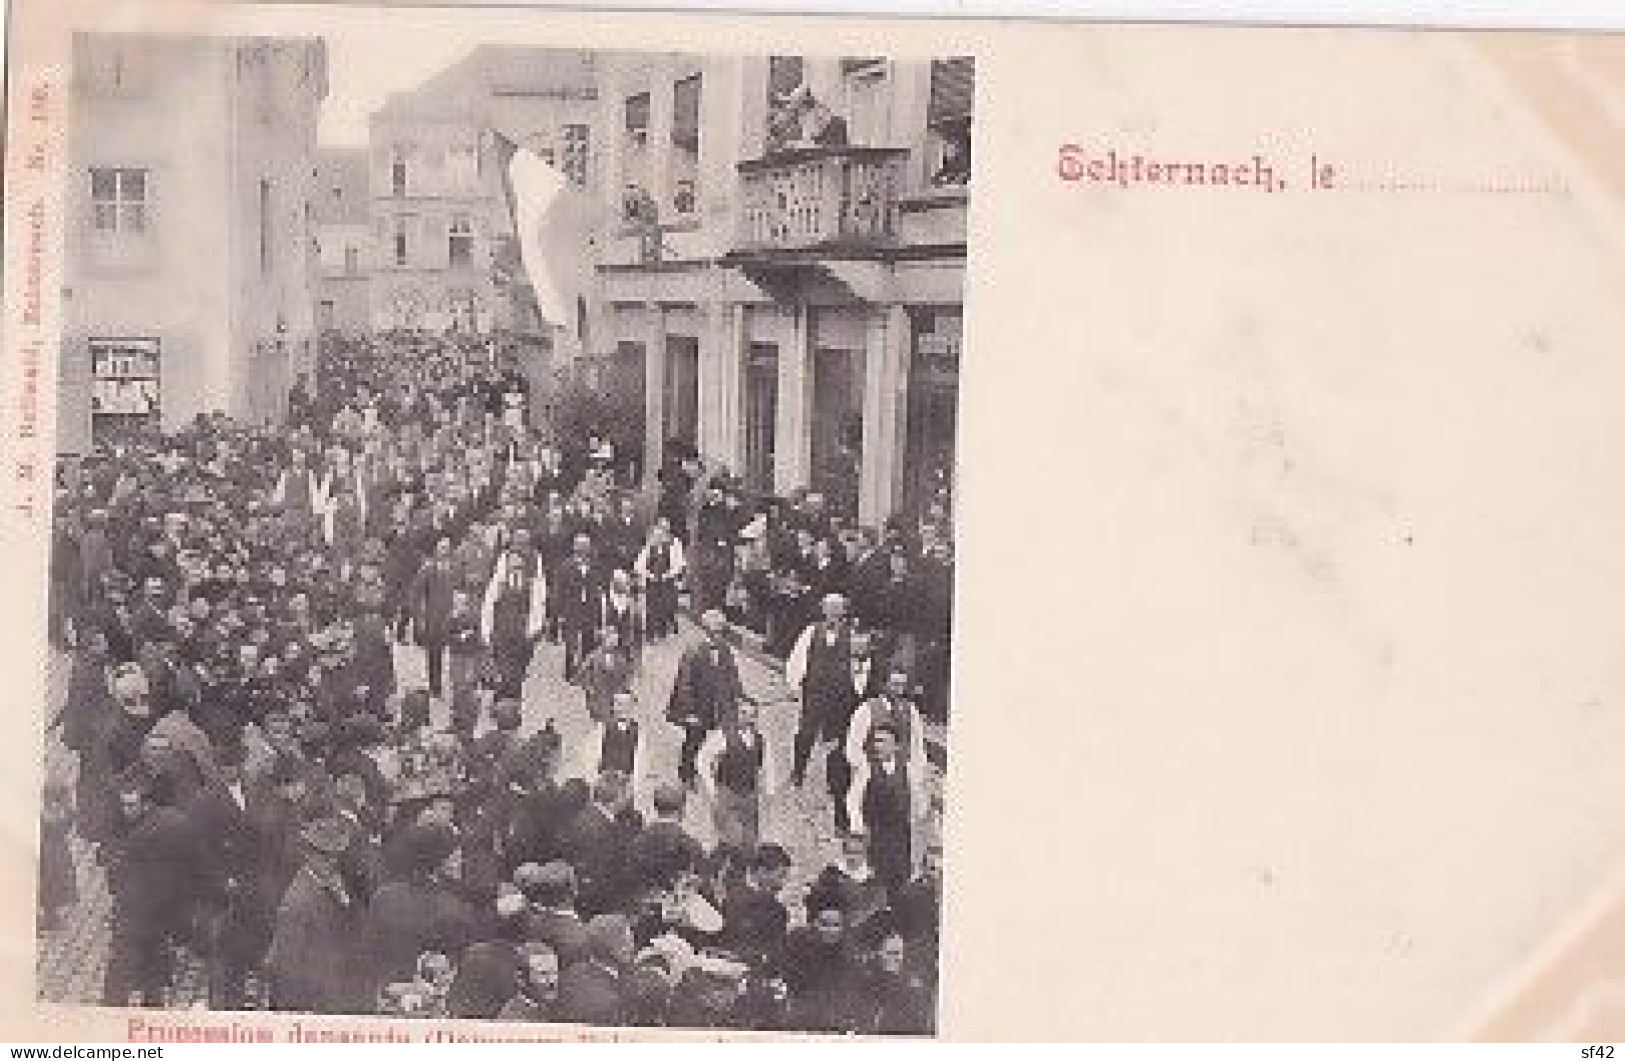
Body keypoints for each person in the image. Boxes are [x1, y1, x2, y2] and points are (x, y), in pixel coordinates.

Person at [265, 816, 366, 1015]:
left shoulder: (328, 882)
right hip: (309, 998)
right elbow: (286, 965)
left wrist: (344, 901)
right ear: (308, 854)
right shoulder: (298, 902)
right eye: (324, 855)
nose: (332, 862)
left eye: (336, 856)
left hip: (328, 981)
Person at [665, 609, 749, 787]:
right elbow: (684, 683)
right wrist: (689, 712)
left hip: (720, 703)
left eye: (721, 629)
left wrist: (741, 697)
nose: (719, 633)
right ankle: (686, 772)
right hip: (699, 705)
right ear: (707, 629)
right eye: (716, 629)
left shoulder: (725, 649)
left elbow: (733, 675)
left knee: (719, 737)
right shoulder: (693, 650)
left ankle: (710, 764)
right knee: (694, 738)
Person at [784, 593, 854, 788]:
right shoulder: (811, 631)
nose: (833, 612)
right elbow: (797, 659)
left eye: (837, 608)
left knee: (835, 736)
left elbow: (856, 664)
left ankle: (834, 780)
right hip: (814, 692)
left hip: (839, 695)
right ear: (823, 609)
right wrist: (793, 685)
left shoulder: (851, 633)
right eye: (829, 607)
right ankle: (798, 771)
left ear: (843, 610)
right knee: (805, 733)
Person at [847, 724, 922, 897]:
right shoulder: (866, 769)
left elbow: (918, 798)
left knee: (901, 874)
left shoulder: (907, 769)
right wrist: (858, 826)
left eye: (882, 741)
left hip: (900, 833)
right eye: (875, 741)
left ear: (896, 746)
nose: (877, 746)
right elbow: (853, 798)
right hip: (876, 831)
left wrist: (915, 820)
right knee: (876, 875)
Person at [695, 699, 775, 855]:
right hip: (727, 793)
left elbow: (767, 765)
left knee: (750, 841)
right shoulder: (722, 736)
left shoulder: (760, 740)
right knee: (730, 841)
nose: (747, 718)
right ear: (736, 714)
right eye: (743, 713)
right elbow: (702, 760)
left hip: (750, 795)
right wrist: (711, 787)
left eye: (751, 715)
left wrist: (769, 790)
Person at [558, 913, 634, 1026]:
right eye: (626, 943)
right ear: (610, 950)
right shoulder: (610, 1002)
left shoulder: (571, 972)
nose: (632, 947)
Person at [552, 533, 608, 685]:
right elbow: (558, 592)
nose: (583, 549)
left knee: (588, 641)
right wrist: (558, 614)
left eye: (586, 546)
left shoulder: (595, 565)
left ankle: (585, 672)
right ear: (574, 547)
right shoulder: (565, 567)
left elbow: (599, 589)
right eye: (580, 546)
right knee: (571, 642)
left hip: (589, 609)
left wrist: (599, 613)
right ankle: (570, 672)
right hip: (571, 609)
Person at [633, 518, 685, 642]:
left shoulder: (674, 543)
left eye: (664, 531)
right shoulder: (649, 547)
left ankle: (664, 630)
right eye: (659, 531)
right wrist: (649, 574)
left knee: (666, 605)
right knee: (651, 606)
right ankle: (651, 633)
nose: (661, 535)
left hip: (667, 581)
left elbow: (679, 564)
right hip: (652, 582)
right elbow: (638, 565)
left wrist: (668, 574)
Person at [498, 941, 563, 1022]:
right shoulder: (513, 1019)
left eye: (555, 973)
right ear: (521, 978)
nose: (552, 981)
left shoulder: (547, 1010)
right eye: (543, 974)